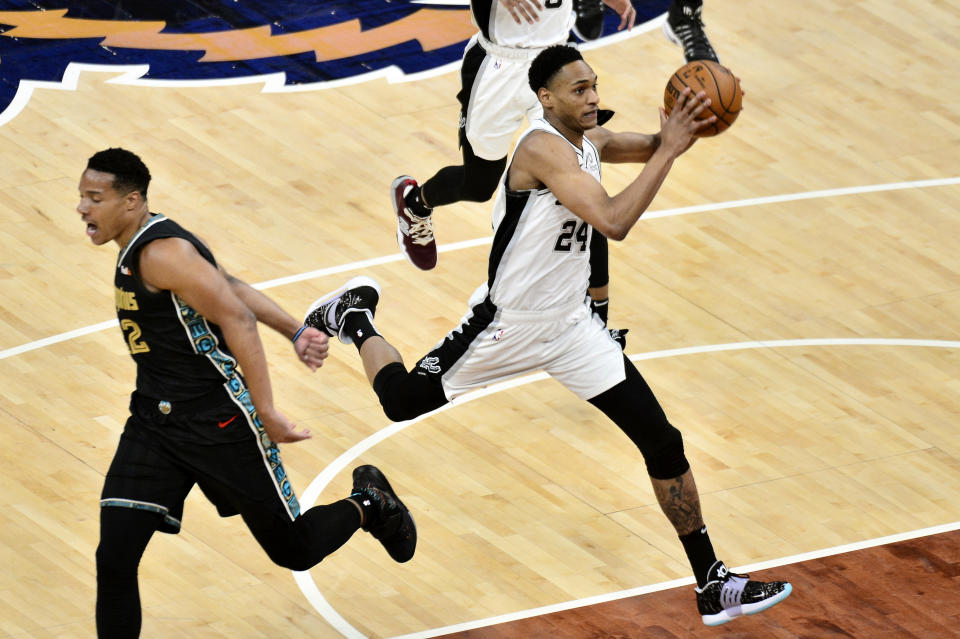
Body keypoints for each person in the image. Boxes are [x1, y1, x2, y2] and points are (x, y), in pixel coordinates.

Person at [308, 46, 790, 626]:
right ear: (547, 98)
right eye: (579, 90)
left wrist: (683, 129)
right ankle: (355, 315)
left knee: (663, 442)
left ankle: (711, 582)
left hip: (569, 328)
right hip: (508, 324)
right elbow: (613, 219)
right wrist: (672, 150)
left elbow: (645, 147)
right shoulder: (539, 147)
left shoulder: (594, 140)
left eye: (594, 86)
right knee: (401, 403)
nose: (592, 98)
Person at [79, 148, 416, 639]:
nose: (83, 208)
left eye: (94, 198)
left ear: (131, 203)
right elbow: (229, 284)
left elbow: (235, 316)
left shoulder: (162, 253)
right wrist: (297, 330)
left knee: (294, 549)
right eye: (81, 197)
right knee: (114, 556)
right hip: (155, 421)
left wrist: (268, 412)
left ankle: (370, 504)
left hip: (218, 421)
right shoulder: (146, 244)